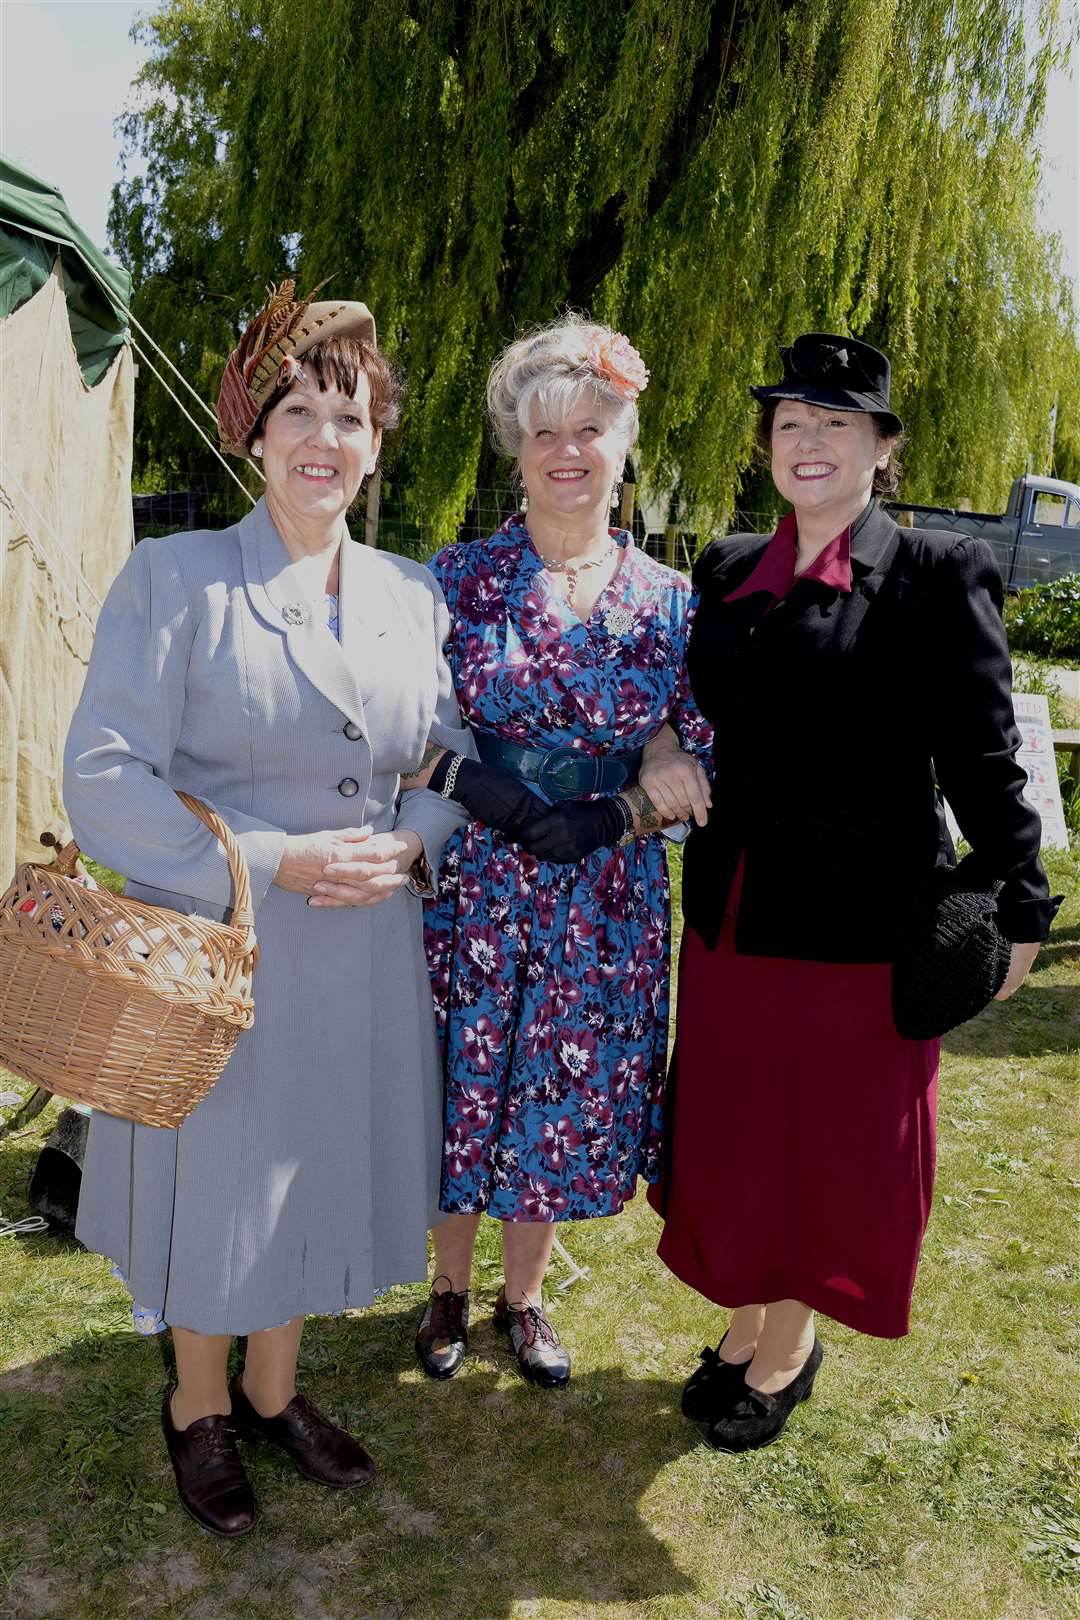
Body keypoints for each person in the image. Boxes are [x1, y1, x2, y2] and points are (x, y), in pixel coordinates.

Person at [63, 280, 473, 1535]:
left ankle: (274, 1387)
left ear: (379, 439)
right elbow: (103, 776)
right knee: (218, 1181)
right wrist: (271, 853)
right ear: (253, 432)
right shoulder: (177, 578)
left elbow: (443, 751)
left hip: (362, 948)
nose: (323, 440)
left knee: (304, 1179)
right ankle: (196, 1409)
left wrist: (412, 848)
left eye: (350, 416)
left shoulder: (413, 594)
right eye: (297, 409)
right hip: (227, 948)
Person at [652, 333, 1060, 1450]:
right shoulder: (729, 570)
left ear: (884, 449)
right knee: (742, 1142)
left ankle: (789, 1344)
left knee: (830, 1151)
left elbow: (984, 763)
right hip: (735, 918)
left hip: (860, 932)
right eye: (792, 422)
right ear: (769, 449)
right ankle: (746, 1317)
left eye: (839, 423)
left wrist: (1021, 903)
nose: (811, 440)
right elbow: (688, 715)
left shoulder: (937, 577)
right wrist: (652, 751)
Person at [405, 316, 713, 1389]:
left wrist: (636, 797)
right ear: (516, 449)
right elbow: (405, 729)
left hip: (604, 891)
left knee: (558, 1095)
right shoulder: (457, 581)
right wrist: (479, 790)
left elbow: (695, 755)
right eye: (546, 434)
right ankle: (445, 1287)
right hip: (476, 883)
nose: (568, 452)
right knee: (461, 1080)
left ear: (624, 446)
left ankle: (523, 1297)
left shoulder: (673, 602)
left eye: (590, 430)